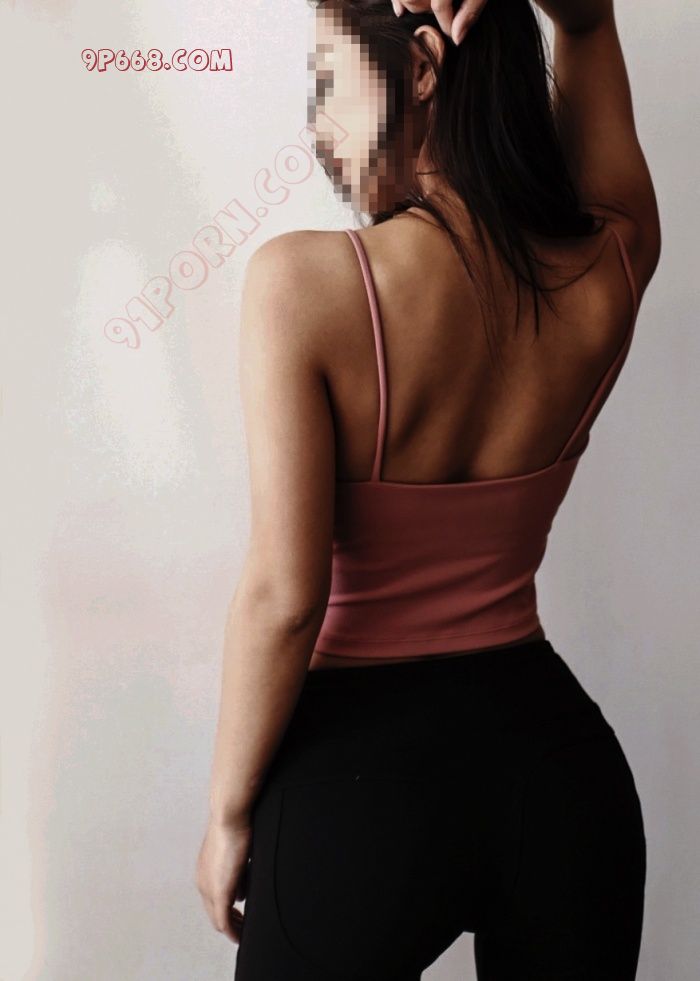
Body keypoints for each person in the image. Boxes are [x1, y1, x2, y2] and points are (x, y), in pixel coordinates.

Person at [196, 1, 661, 977]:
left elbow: (285, 598)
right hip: (559, 784)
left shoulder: (304, 285)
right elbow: (584, 27)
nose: (316, 128)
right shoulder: (608, 267)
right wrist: (581, 19)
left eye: (329, 84)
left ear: (418, 67)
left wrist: (229, 813)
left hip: (358, 794)